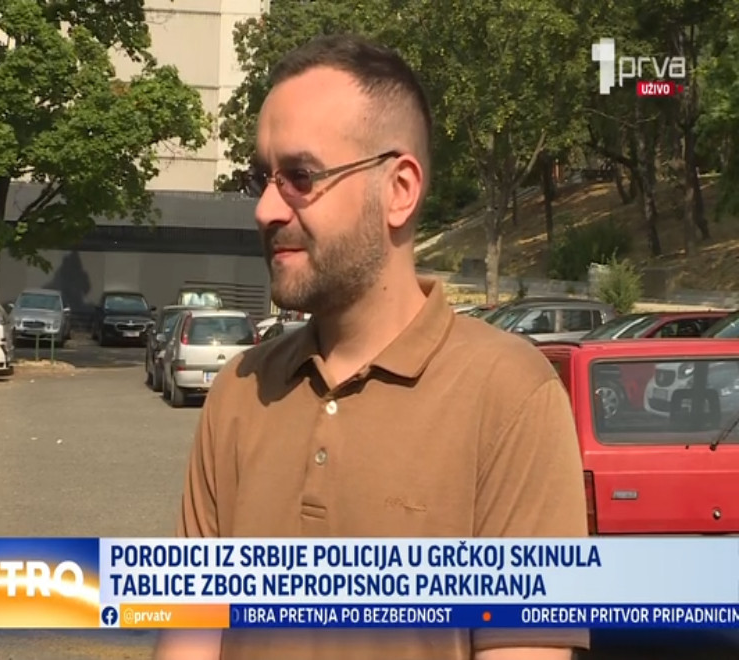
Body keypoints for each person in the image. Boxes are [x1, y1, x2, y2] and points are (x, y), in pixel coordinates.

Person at [154, 34, 589, 660]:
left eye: (300, 176)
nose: (265, 209)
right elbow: (189, 638)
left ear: (400, 189)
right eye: (262, 178)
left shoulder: (511, 396)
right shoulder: (239, 391)